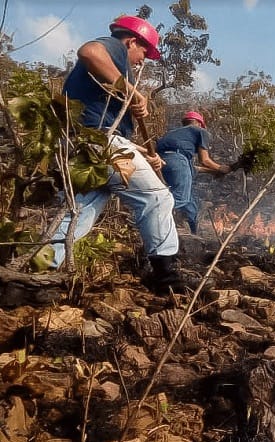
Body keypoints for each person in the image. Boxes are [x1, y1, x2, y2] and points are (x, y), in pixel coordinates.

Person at [31, 15, 184, 296]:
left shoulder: (112, 72)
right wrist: (132, 91)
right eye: (144, 53)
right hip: (101, 142)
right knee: (157, 197)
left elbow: (110, 132)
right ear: (132, 41)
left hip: (85, 145)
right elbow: (89, 52)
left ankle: (38, 271)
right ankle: (167, 276)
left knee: (82, 211)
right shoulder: (115, 48)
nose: (142, 61)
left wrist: (142, 154)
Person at [157, 111, 231, 234]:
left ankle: (194, 233)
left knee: (190, 205)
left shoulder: (174, 135)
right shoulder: (201, 131)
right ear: (199, 124)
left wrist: (212, 172)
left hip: (160, 161)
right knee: (181, 198)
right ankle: (155, 220)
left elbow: (192, 168)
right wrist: (221, 168)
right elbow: (204, 160)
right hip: (178, 161)